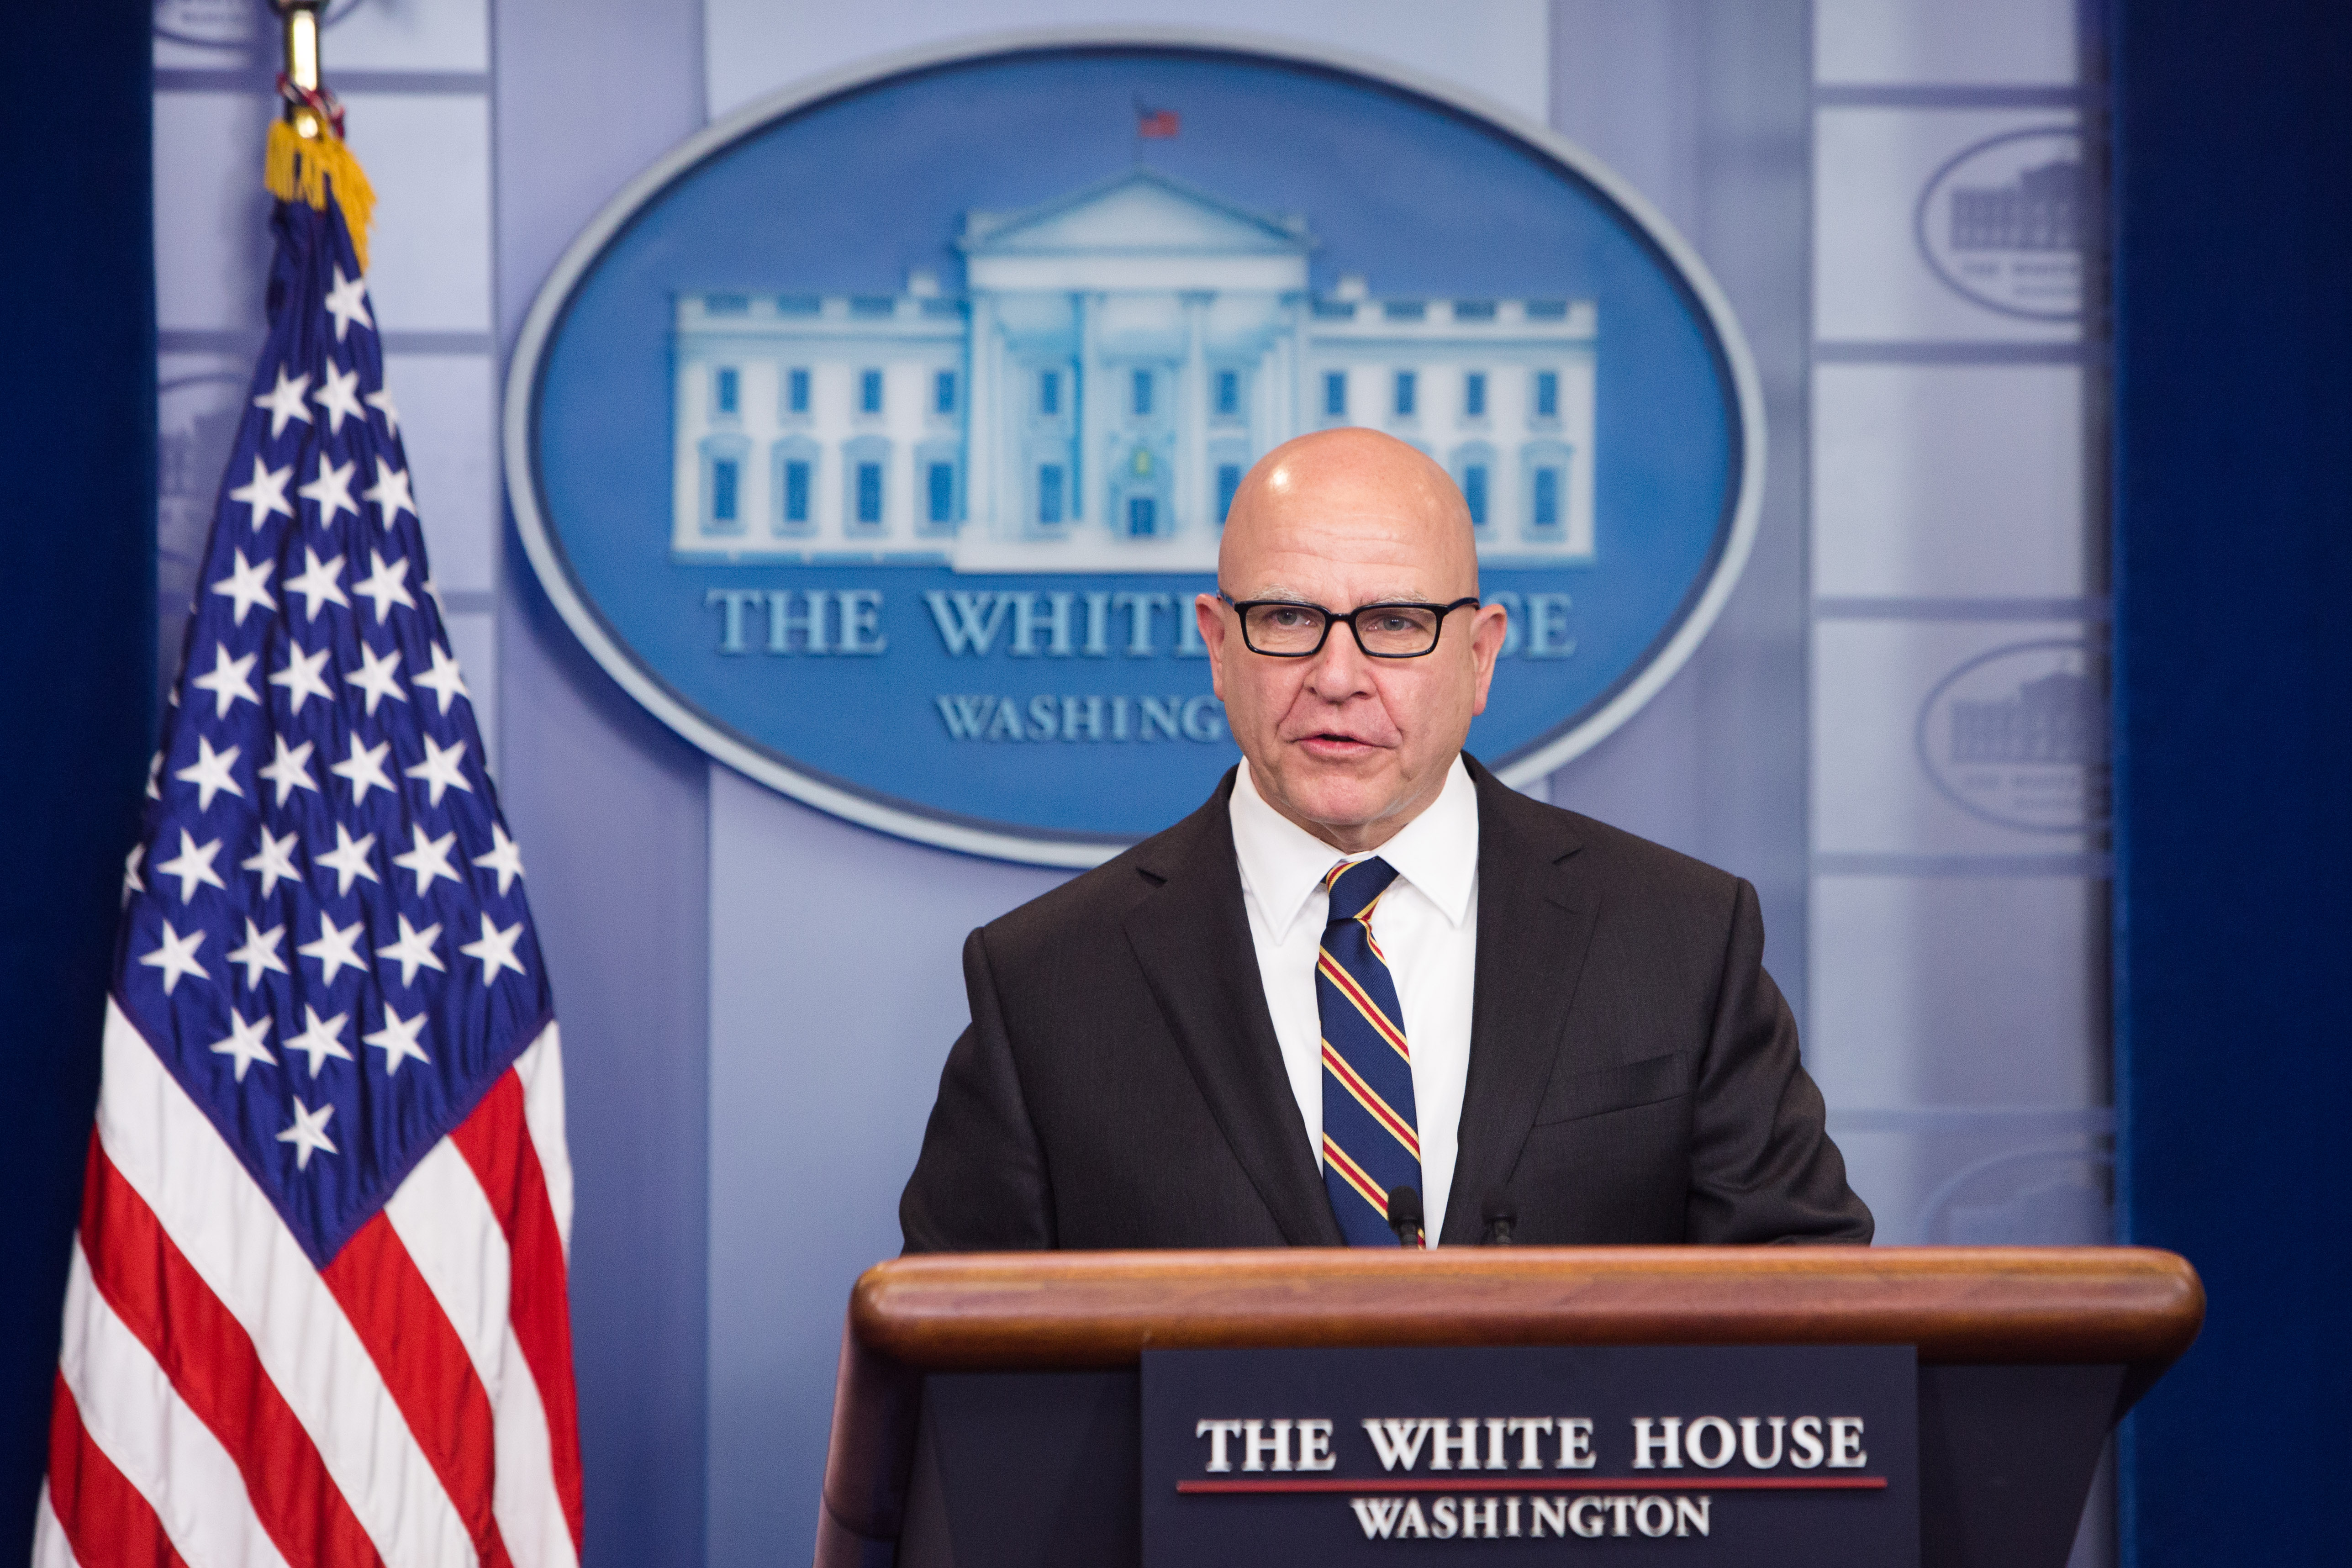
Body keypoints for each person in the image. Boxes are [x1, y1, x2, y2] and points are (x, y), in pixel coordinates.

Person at [899, 428, 1870, 1250]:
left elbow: (1809, 1319)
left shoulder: (1680, 942)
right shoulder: (1045, 985)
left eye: (1396, 623)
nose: (1337, 676)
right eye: (1288, 617)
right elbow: (962, 1371)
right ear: (1219, 646)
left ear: (1480, 656)